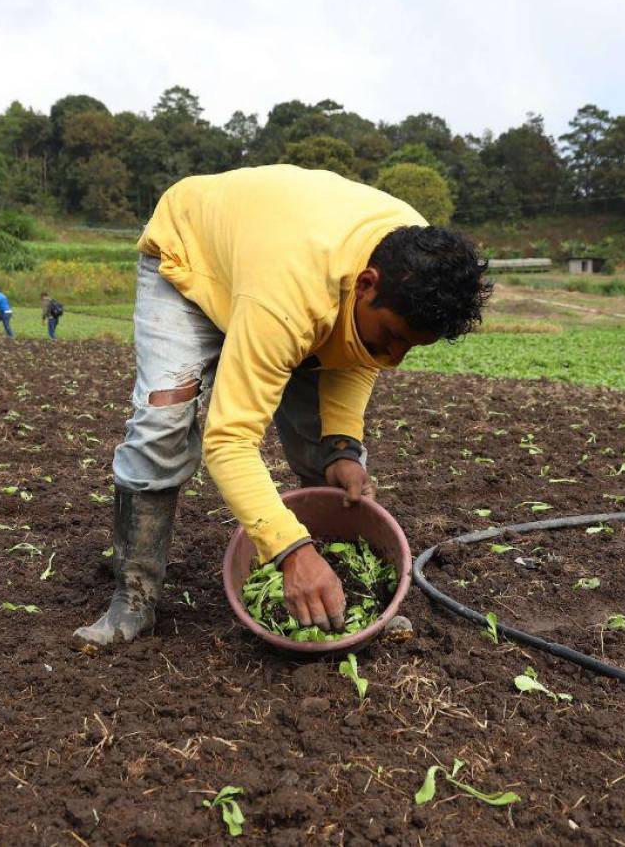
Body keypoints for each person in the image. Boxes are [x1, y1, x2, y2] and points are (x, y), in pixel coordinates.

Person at [73, 165, 492, 647]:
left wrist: (342, 446)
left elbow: (360, 352)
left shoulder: (414, 256)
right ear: (366, 283)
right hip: (194, 258)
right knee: (162, 422)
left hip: (273, 268)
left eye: (410, 348)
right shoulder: (292, 294)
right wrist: (290, 552)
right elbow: (230, 440)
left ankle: (345, 592)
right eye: (394, 338)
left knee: (329, 456)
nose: (394, 359)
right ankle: (134, 596)